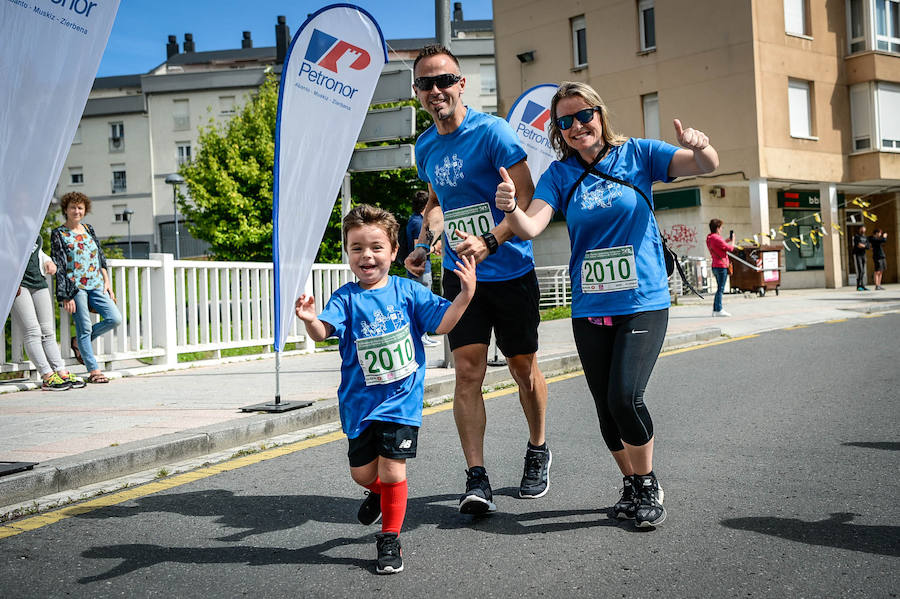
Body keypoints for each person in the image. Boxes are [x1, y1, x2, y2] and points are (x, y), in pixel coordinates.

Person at [495, 81, 719, 527]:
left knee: (624, 396)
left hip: (643, 300)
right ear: (558, 131)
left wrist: (701, 146)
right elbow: (531, 226)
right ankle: (631, 484)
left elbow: (705, 166)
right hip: (589, 305)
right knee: (604, 407)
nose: (577, 126)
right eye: (565, 121)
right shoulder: (559, 175)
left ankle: (649, 480)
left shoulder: (638, 154)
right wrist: (510, 210)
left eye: (584, 115)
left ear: (599, 113)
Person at [404, 44, 551, 513]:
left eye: (444, 80)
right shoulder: (425, 145)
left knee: (521, 367)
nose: (436, 91)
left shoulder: (492, 132)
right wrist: (424, 245)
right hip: (460, 275)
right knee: (466, 371)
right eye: (425, 84)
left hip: (509, 269)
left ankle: (537, 447)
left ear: (461, 83)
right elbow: (435, 203)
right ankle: (476, 476)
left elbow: (526, 193)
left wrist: (490, 239)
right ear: (417, 92)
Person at [294, 204, 476, 575]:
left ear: (394, 252)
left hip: (401, 401)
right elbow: (324, 331)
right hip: (360, 404)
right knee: (363, 475)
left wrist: (464, 297)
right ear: (347, 253)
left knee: (393, 471)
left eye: (376, 247)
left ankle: (390, 537)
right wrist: (311, 320)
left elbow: (441, 324)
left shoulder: (408, 292)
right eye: (357, 247)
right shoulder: (344, 298)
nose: (367, 255)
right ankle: (377, 495)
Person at [51, 192, 122, 384]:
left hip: (97, 284)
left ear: (85, 210)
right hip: (76, 288)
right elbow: (58, 265)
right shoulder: (58, 233)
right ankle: (94, 370)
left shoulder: (89, 229)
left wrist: (107, 282)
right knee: (85, 327)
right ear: (65, 209)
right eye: (73, 207)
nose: (76, 211)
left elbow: (100, 257)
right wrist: (65, 296)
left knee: (115, 318)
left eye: (80, 208)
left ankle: (78, 344)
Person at [11, 237, 86, 391]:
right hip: (17, 283)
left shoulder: (32, 224)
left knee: (48, 331)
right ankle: (47, 376)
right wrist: (9, 280)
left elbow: (36, 250)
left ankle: (61, 372)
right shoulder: (6, 225)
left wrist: (47, 260)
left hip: (38, 280)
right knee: (33, 331)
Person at [406, 190, 439, 346]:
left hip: (417, 268)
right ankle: (421, 335)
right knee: (422, 302)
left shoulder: (413, 219)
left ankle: (422, 335)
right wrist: (435, 247)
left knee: (420, 301)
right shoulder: (419, 222)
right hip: (420, 268)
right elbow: (417, 248)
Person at [706, 219, 735, 317]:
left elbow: (720, 245)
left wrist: (727, 240)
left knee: (719, 288)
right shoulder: (717, 238)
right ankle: (719, 309)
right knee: (721, 289)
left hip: (715, 265)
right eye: (721, 228)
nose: (722, 229)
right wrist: (733, 240)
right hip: (721, 266)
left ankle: (715, 309)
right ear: (717, 228)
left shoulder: (710, 238)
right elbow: (730, 248)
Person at [852, 226, 870, 291]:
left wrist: (863, 245)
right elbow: (858, 245)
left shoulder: (866, 237)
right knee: (860, 270)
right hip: (857, 255)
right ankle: (858, 286)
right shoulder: (856, 237)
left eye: (864, 228)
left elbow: (868, 246)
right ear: (859, 229)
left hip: (863, 255)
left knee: (863, 271)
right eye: (862, 228)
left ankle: (862, 285)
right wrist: (863, 245)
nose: (863, 230)